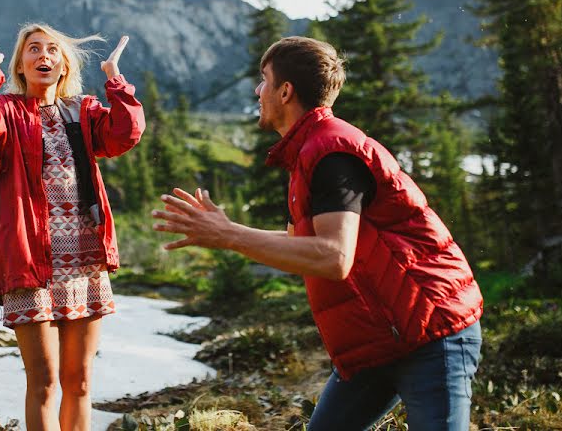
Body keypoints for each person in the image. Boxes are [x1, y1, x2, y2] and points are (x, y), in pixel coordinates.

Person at [152, 36, 483, 431]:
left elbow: (332, 257)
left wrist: (229, 235)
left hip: (430, 334)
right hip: (376, 343)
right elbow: (300, 247)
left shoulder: (331, 151)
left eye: (264, 80)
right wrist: (225, 231)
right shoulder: (308, 153)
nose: (258, 91)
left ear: (286, 91)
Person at [0, 20, 145, 431]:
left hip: (84, 261)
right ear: (20, 65)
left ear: (64, 64)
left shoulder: (84, 111)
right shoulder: (3, 112)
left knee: (80, 382)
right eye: (33, 49)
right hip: (29, 265)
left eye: (52, 49)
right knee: (44, 383)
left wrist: (116, 82)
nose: (44, 56)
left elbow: (126, 133)